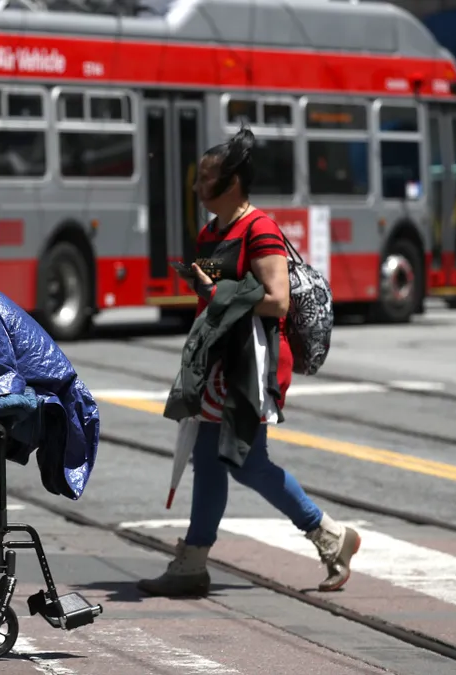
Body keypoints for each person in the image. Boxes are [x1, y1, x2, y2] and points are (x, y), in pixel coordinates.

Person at [136, 128, 360, 598]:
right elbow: (216, 300)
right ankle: (193, 563)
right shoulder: (211, 232)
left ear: (232, 183)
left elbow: (277, 302)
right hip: (218, 364)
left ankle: (330, 536)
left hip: (250, 367)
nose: (198, 188)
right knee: (209, 461)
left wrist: (216, 294)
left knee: (247, 462)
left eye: (206, 179)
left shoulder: (259, 229)